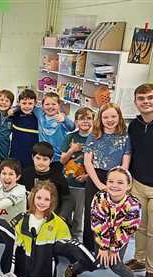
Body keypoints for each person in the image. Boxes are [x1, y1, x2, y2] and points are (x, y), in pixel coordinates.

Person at [64, 167, 140, 277]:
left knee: (116, 265)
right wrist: (104, 247)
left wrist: (114, 248)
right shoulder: (100, 198)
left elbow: (127, 229)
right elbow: (99, 224)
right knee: (98, 261)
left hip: (120, 237)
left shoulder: (133, 204)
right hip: (102, 234)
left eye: (120, 182)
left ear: (128, 186)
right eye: (110, 181)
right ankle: (72, 269)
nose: (114, 185)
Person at [83, 103, 130, 252]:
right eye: (106, 117)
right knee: (92, 214)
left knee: (111, 216)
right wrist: (98, 183)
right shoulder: (94, 135)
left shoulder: (125, 136)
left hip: (116, 178)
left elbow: (126, 160)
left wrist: (117, 183)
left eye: (113, 116)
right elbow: (87, 161)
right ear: (100, 118)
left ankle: (108, 248)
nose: (110, 120)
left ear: (119, 117)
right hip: (95, 176)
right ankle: (89, 249)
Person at [11, 181, 71, 277]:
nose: (42, 202)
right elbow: (14, 245)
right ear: (33, 197)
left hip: (45, 270)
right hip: (23, 267)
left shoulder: (58, 223)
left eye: (46, 199)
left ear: (52, 201)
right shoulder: (21, 219)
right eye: (39, 198)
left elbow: (67, 247)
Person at [125, 83, 153, 277]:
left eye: (150, 97)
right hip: (137, 182)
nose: (146, 102)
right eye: (141, 99)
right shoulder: (134, 125)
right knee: (140, 227)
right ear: (136, 102)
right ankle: (140, 259)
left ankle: (151, 271)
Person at [60, 107, 94, 239]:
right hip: (68, 182)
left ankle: (77, 239)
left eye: (89, 118)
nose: (85, 121)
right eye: (81, 119)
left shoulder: (96, 138)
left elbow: (98, 163)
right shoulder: (70, 137)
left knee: (79, 214)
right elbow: (62, 160)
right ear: (76, 121)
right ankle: (64, 238)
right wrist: (72, 149)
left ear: (93, 120)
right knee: (65, 212)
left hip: (83, 185)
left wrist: (88, 176)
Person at [20, 142, 70, 214]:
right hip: (29, 214)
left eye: (45, 159)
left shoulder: (57, 176)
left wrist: (62, 216)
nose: (41, 162)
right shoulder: (25, 174)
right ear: (32, 157)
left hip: (51, 215)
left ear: (51, 160)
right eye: (38, 158)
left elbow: (67, 199)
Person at [34, 92, 75, 162]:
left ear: (59, 106)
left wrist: (65, 119)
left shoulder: (61, 117)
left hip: (59, 157)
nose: (50, 107)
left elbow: (72, 127)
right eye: (47, 104)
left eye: (54, 104)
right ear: (42, 106)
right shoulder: (40, 113)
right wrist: (13, 110)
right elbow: (26, 106)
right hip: (43, 156)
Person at [9, 89, 39, 169]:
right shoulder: (15, 114)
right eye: (24, 103)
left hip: (32, 155)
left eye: (30, 103)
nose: (27, 106)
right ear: (19, 103)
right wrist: (15, 109)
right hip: (16, 153)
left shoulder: (38, 116)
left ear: (35, 103)